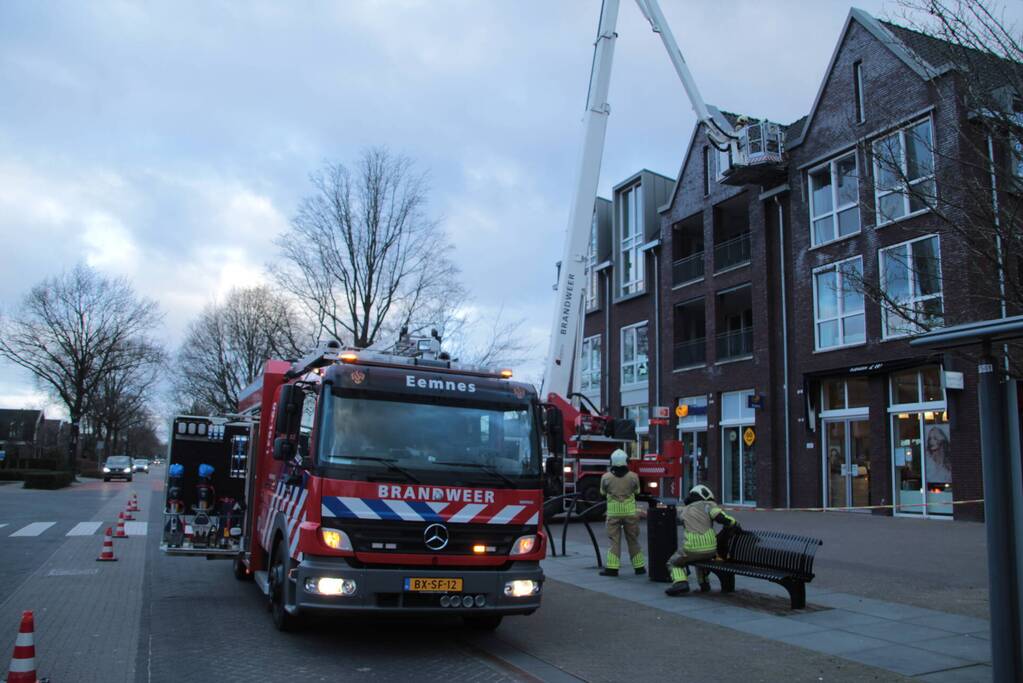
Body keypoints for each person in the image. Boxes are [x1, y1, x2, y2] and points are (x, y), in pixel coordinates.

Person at [665, 484, 738, 596]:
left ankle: (680, 582)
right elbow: (722, 518)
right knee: (701, 560)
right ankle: (704, 584)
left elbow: (679, 521)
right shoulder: (709, 505)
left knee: (673, 562)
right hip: (711, 549)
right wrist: (734, 523)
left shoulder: (685, 510)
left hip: (691, 549)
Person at [598, 449, 646, 576]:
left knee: (614, 541)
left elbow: (603, 492)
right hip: (630, 512)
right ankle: (639, 567)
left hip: (613, 513)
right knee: (633, 540)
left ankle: (612, 569)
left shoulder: (606, 477)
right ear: (626, 461)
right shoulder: (633, 476)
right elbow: (637, 492)